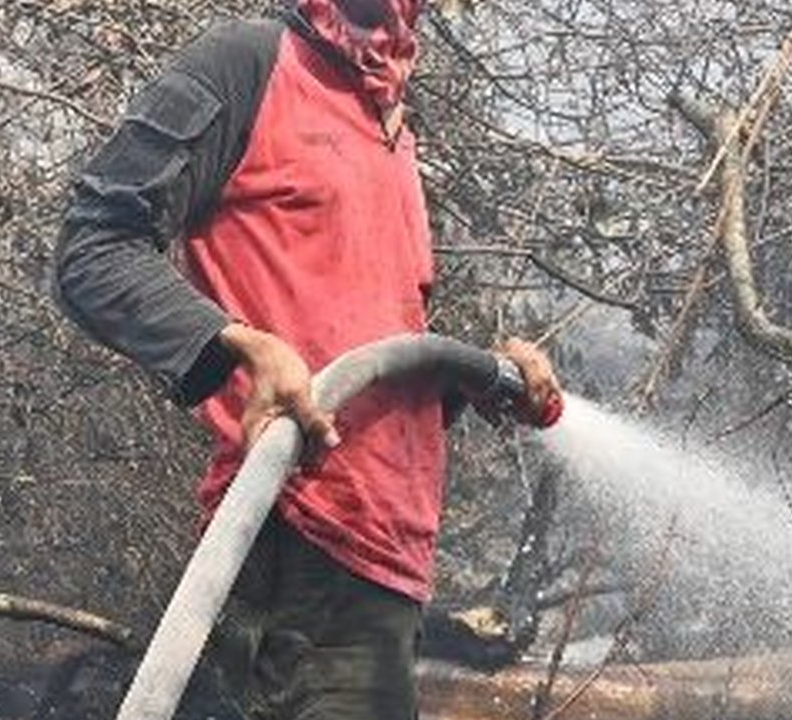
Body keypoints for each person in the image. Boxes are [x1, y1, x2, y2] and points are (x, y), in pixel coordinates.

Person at [53, 0, 561, 717]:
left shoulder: (389, 124)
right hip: (299, 540)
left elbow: (361, 350)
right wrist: (246, 344)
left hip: (385, 566)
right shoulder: (246, 67)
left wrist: (475, 378)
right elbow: (92, 249)